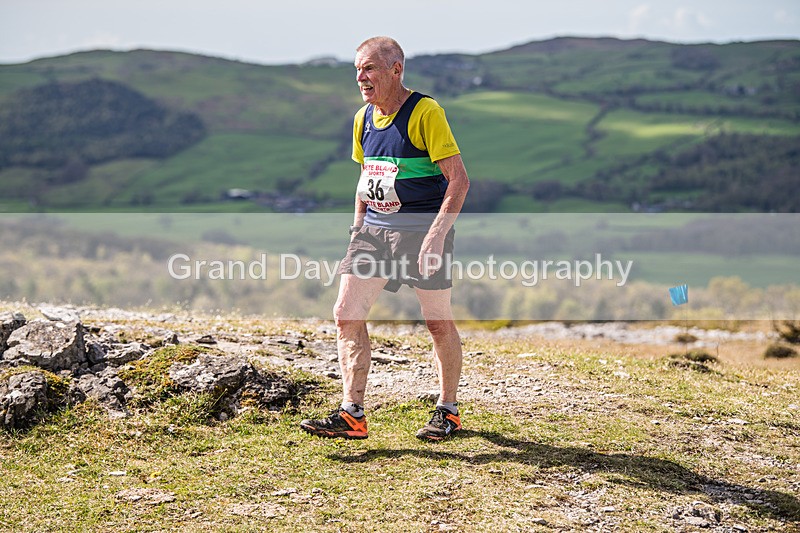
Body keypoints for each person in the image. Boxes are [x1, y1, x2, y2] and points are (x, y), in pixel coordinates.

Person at [300, 36, 470, 442]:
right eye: (358, 69)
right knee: (346, 312)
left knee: (436, 322)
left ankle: (447, 410)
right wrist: (357, 231)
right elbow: (365, 182)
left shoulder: (425, 112)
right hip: (374, 233)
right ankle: (352, 413)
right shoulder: (362, 119)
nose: (361, 77)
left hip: (421, 231)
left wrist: (435, 237)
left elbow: (459, 181)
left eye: (370, 68)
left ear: (396, 69)